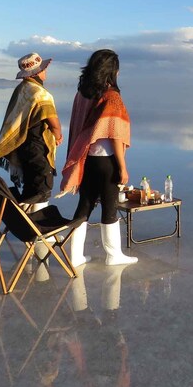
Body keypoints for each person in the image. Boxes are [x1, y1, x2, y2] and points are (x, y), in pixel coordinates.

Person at [61, 49, 137, 266]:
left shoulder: (82, 93)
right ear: (112, 71)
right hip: (106, 162)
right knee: (110, 208)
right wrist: (122, 168)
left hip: (87, 159)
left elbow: (78, 126)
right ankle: (114, 255)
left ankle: (75, 256)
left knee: (84, 205)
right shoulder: (112, 97)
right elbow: (115, 135)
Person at [0, 52, 63, 207]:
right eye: (43, 69)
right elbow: (53, 121)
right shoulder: (40, 93)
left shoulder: (22, 89)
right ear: (37, 72)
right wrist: (57, 135)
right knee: (42, 189)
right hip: (37, 147)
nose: (45, 71)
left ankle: (25, 221)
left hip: (22, 147)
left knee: (30, 188)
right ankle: (35, 226)